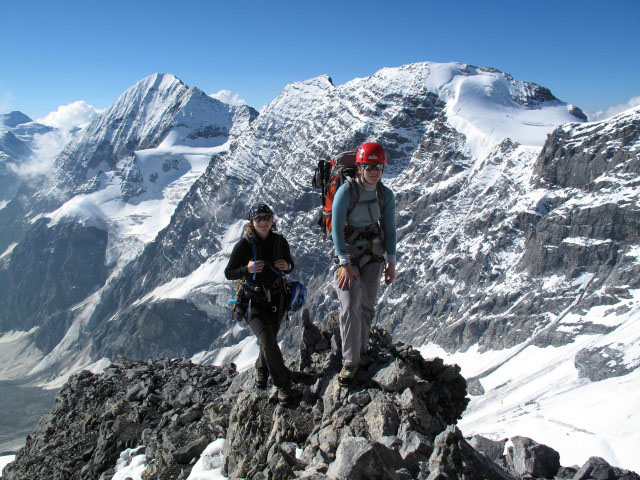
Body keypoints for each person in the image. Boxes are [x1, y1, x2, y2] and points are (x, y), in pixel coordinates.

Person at [332, 142, 397, 387]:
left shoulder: (385, 195)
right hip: (348, 255)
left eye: (378, 167)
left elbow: (389, 230)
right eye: (369, 166)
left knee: (367, 306)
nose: (374, 171)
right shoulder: (346, 192)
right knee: (349, 305)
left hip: (374, 255)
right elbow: (336, 231)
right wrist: (344, 263)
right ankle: (350, 363)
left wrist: (391, 264)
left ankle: (360, 351)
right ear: (360, 167)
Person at [224, 203, 295, 404]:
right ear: (252, 222)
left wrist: (287, 266)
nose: (263, 222)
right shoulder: (244, 245)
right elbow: (229, 273)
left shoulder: (280, 241)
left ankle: (261, 370)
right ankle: (283, 385)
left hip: (278, 299)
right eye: (259, 219)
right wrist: (247, 269)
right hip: (253, 303)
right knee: (268, 341)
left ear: (272, 220)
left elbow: (290, 265)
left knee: (269, 340)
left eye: (266, 218)